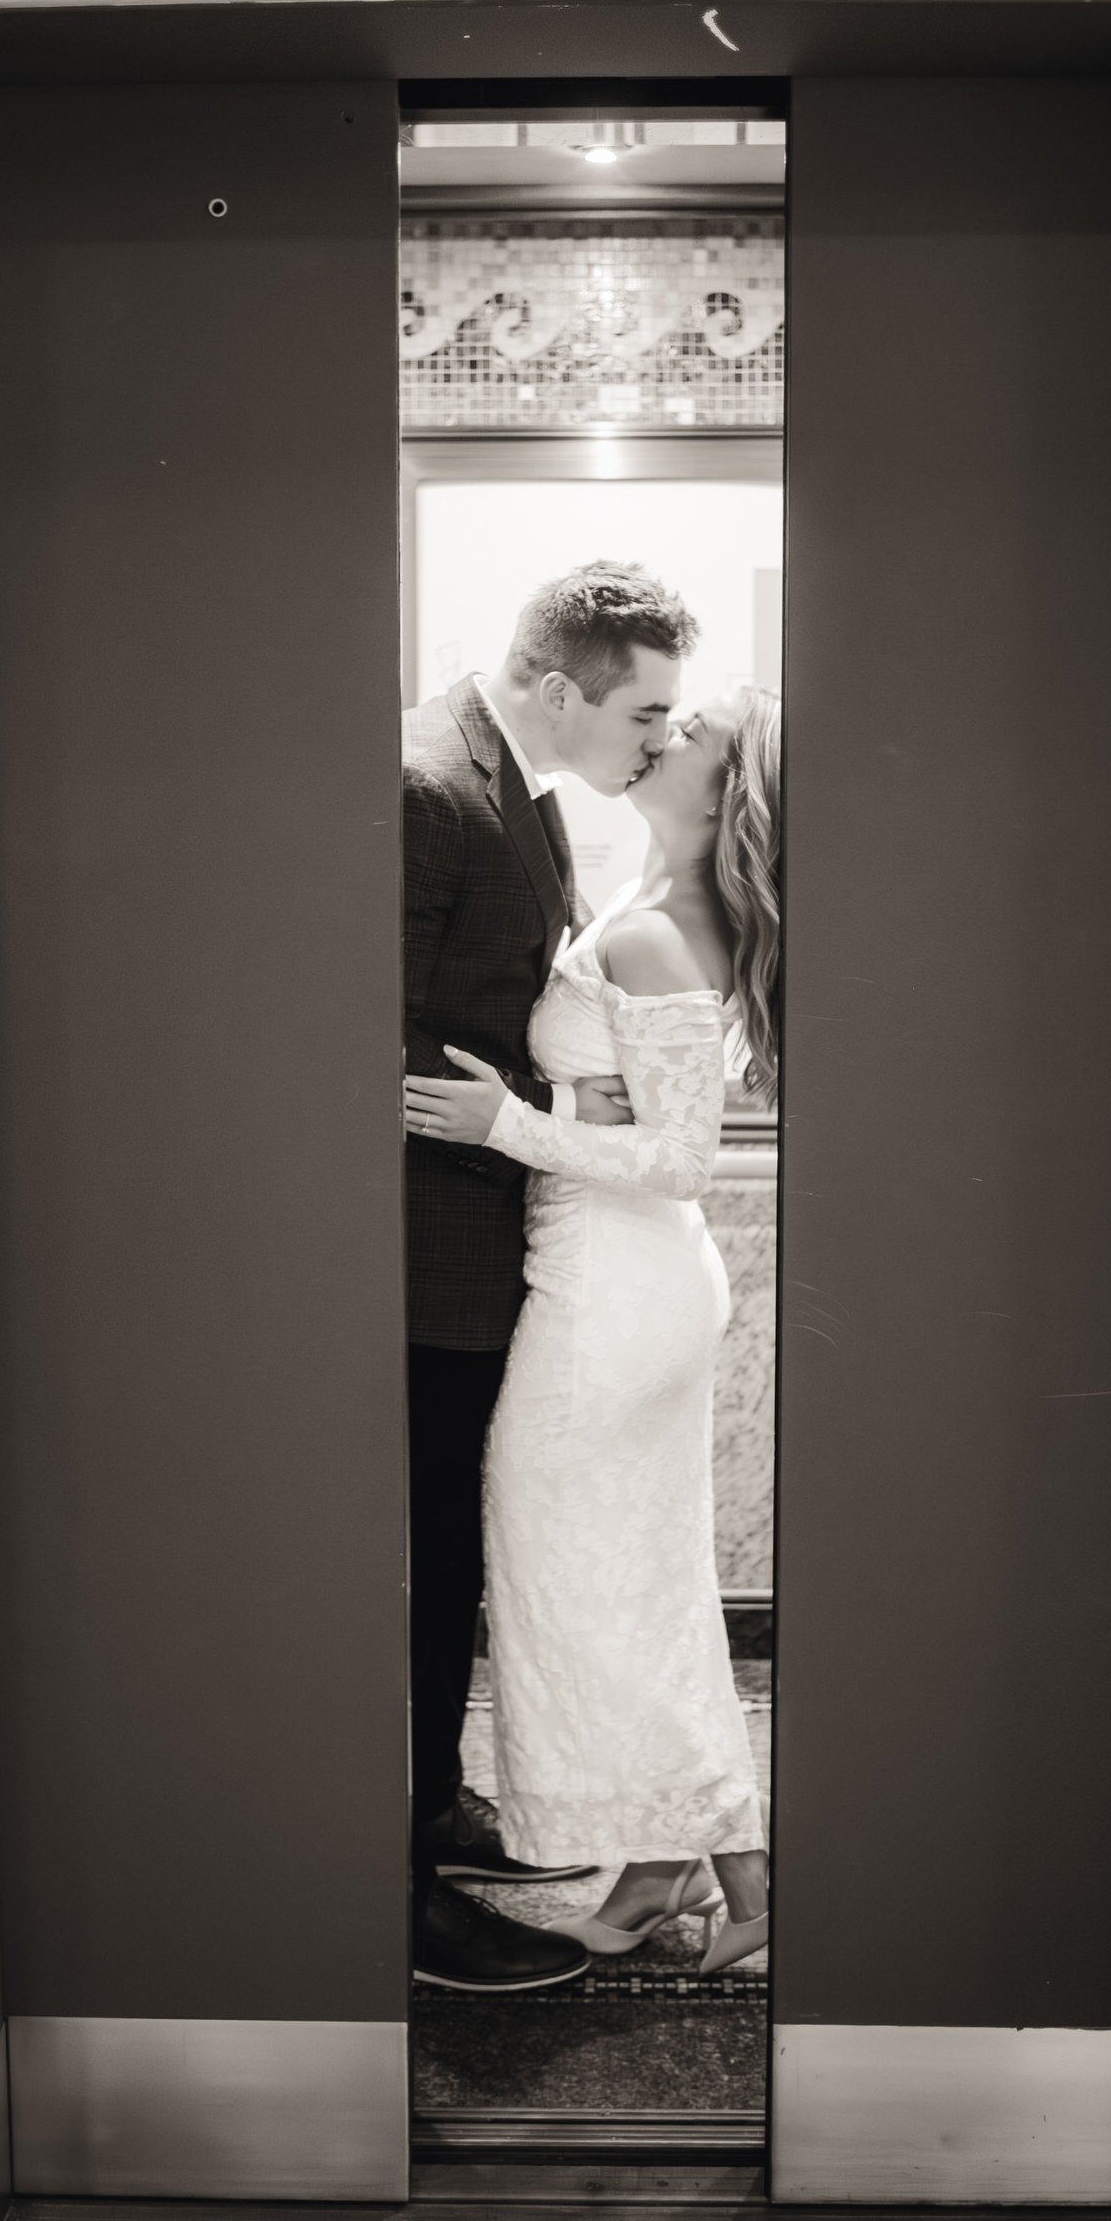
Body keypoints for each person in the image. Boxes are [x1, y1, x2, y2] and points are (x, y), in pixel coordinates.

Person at [406, 683, 780, 1977]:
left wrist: (500, 1121)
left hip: (615, 1292)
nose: (667, 738)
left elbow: (682, 1160)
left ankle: (740, 1872)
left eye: (697, 736)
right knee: (642, 1590)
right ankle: (673, 1869)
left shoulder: (660, 934)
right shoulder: (653, 903)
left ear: (732, 786)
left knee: (579, 1584)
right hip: (612, 1275)